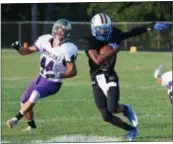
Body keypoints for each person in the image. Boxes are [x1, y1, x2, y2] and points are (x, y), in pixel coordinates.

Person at [80, 13, 168, 141]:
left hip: (110, 75)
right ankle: (131, 130)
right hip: (96, 77)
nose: (104, 32)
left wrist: (151, 26)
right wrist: (114, 50)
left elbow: (131, 33)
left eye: (106, 28)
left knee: (113, 108)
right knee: (106, 116)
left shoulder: (114, 34)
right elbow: (97, 60)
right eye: (101, 29)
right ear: (94, 28)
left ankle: (125, 109)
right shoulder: (89, 40)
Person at [6, 19, 78, 131]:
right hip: (40, 78)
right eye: (60, 29)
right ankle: (32, 126)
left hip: (53, 82)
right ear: (55, 29)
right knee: (24, 100)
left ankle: (15, 118)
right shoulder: (44, 39)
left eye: (65, 30)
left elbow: (73, 71)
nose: (62, 32)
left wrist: (57, 75)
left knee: (35, 95)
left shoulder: (68, 48)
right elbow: (28, 50)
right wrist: (18, 48)